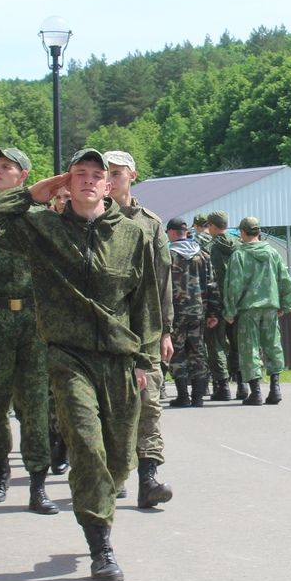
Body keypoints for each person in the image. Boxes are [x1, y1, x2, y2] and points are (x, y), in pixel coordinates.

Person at [0, 148, 160, 581]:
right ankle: (101, 545)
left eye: (98, 175)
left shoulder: (133, 235)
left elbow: (145, 302)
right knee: (87, 446)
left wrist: (145, 361)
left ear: (109, 186)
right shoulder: (43, 228)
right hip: (67, 355)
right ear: (67, 183)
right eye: (79, 174)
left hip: (118, 357)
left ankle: (101, 507)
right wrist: (31, 194)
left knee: (118, 459)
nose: (89, 181)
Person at [0, 148, 56, 514]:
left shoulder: (42, 217)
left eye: (7, 167)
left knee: (36, 404)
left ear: (24, 175)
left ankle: (38, 481)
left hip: (34, 320)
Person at [105, 150, 175, 510]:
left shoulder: (151, 223)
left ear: (132, 176)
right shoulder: (93, 219)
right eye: (106, 173)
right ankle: (114, 473)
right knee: (112, 406)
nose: (110, 178)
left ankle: (148, 478)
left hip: (145, 328)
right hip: (106, 329)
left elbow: (163, 280)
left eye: (117, 172)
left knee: (150, 403)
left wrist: (165, 330)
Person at [224, 216, 291, 405]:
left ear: (242, 233)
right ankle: (275, 389)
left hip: (248, 309)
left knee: (249, 348)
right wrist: (286, 305)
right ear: (259, 232)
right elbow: (285, 280)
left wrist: (230, 311)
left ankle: (255, 392)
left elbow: (233, 286)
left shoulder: (239, 255)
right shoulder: (273, 253)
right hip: (271, 308)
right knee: (273, 345)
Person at [165, 217, 219, 407]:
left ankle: (183, 396)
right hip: (198, 312)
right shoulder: (203, 255)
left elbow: (160, 286)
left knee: (177, 352)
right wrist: (213, 313)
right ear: (185, 232)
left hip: (175, 313)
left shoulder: (167, 255)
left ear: (171, 232)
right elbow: (212, 285)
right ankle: (197, 396)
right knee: (197, 351)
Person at [204, 210, 244, 401]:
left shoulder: (209, 247)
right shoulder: (239, 245)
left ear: (212, 226)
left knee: (216, 343)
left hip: (217, 301)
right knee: (237, 343)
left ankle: (222, 387)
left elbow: (208, 277)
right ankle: (242, 384)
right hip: (238, 301)